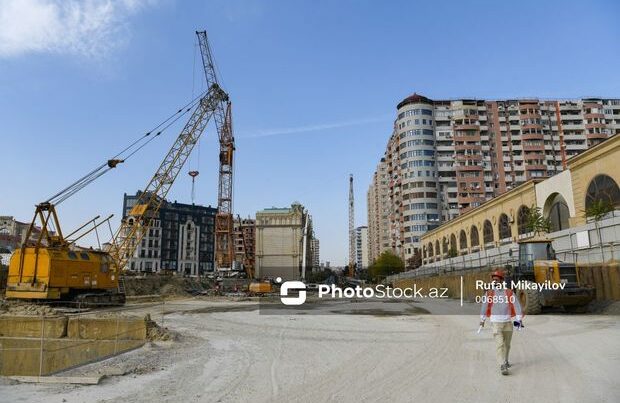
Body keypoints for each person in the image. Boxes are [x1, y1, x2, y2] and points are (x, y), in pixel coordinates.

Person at [479, 270, 523, 375]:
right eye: (493, 280)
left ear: (502, 280)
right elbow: (484, 306)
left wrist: (519, 319)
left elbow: (516, 305)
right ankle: (502, 365)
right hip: (495, 323)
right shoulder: (489, 293)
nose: (495, 282)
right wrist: (482, 320)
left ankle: (506, 360)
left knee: (507, 345)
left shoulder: (509, 292)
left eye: (497, 280)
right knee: (500, 344)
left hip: (507, 322)